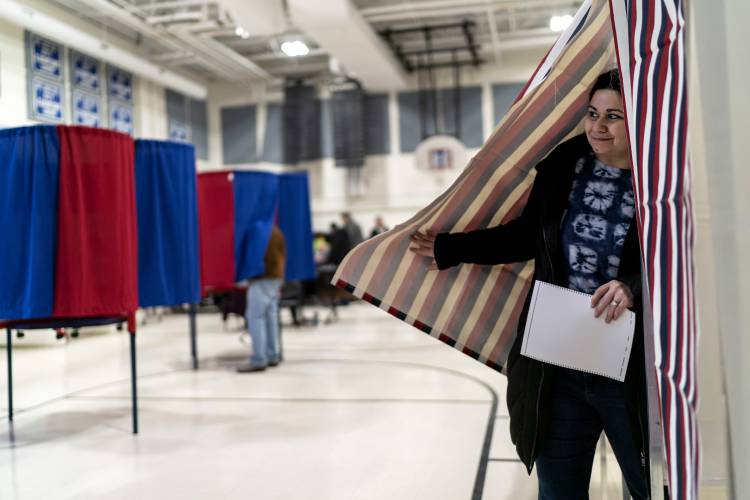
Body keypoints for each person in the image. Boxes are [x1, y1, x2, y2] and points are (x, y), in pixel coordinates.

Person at [409, 70, 649, 499]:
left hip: (628, 367)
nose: (598, 126)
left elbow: (678, 259)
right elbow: (527, 236)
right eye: (593, 113)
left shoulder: (660, 177)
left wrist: (631, 287)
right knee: (557, 490)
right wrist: (448, 248)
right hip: (559, 362)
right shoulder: (566, 163)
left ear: (639, 119)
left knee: (648, 484)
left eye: (614, 116)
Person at [237, 225, 286, 373]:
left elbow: (255, 257)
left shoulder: (257, 229)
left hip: (261, 278)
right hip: (275, 276)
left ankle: (259, 359)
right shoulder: (276, 230)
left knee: (255, 317)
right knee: (271, 317)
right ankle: (272, 354)